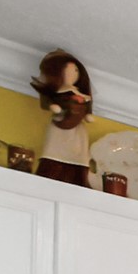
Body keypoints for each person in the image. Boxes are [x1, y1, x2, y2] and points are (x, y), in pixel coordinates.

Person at [30, 49, 94, 186]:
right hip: (60, 125)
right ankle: (52, 171)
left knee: (79, 152)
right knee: (55, 149)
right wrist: (55, 107)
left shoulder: (80, 93)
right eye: (67, 70)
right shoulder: (59, 92)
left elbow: (86, 107)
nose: (72, 74)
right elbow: (49, 103)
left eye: (76, 71)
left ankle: (77, 176)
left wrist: (87, 115)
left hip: (77, 130)